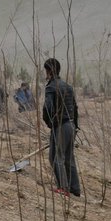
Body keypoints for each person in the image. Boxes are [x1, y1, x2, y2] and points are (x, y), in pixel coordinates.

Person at [42, 57, 80, 196]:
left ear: (49, 71)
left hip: (60, 126)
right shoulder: (68, 86)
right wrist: (75, 126)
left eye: (46, 71)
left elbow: (47, 107)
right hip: (71, 124)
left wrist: (49, 123)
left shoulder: (51, 87)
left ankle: (63, 188)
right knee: (69, 158)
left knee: (56, 157)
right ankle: (75, 189)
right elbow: (75, 107)